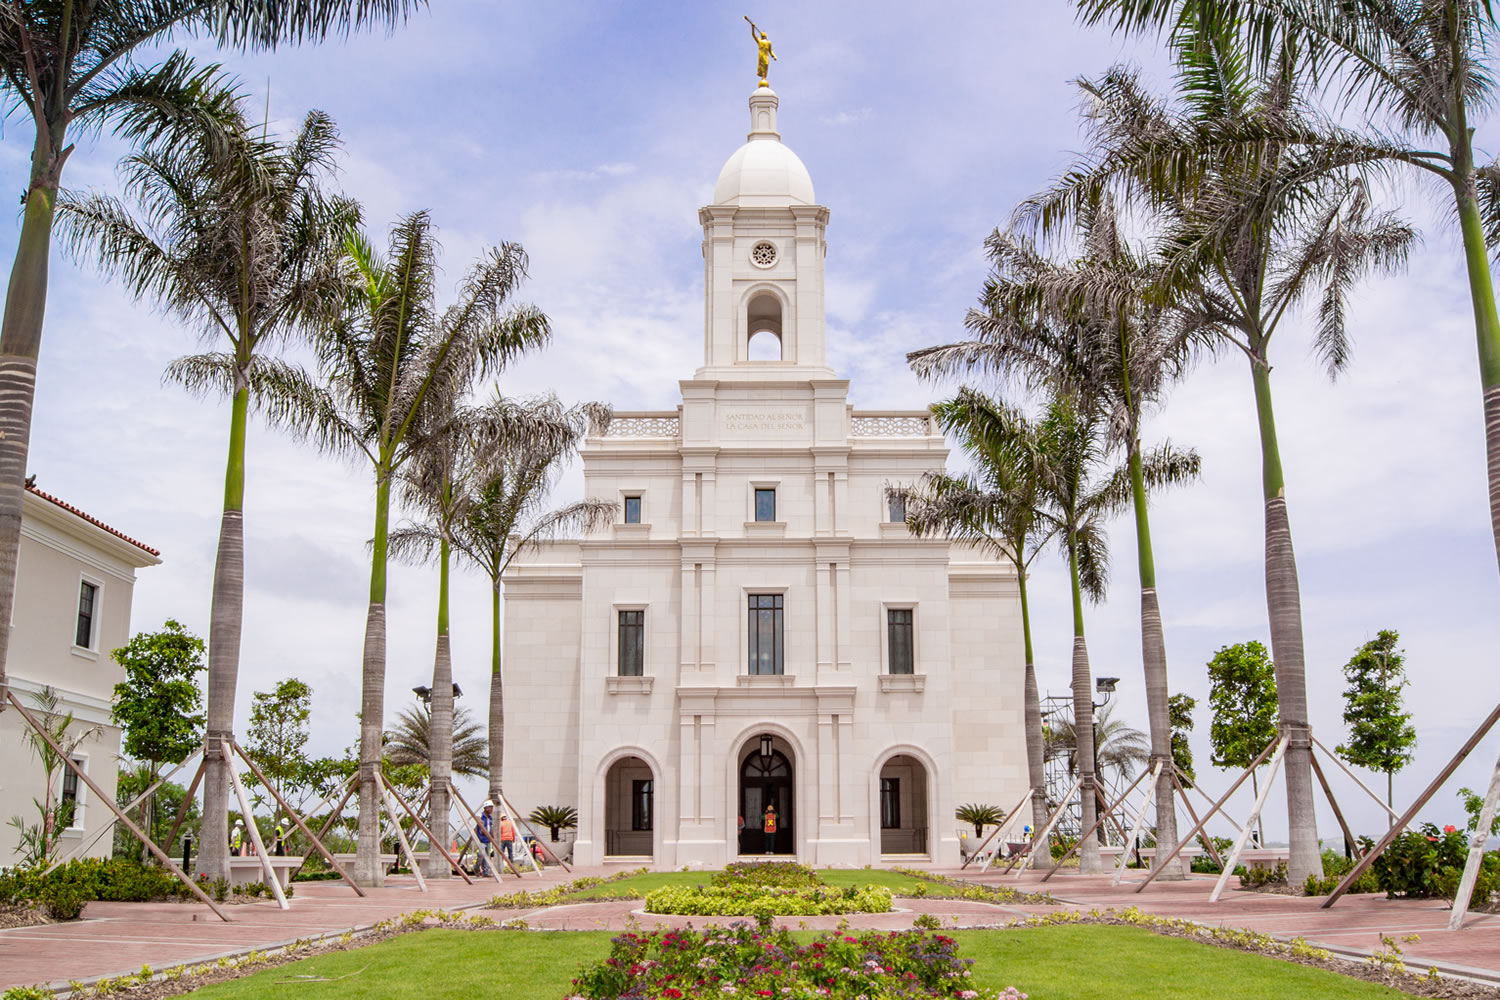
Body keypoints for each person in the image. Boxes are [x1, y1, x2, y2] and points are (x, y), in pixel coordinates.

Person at [475, 801, 495, 875]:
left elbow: (491, 828)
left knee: (487, 856)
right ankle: (476, 868)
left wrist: (493, 838)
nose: (492, 809)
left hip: (488, 840)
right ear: (486, 808)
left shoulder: (490, 818)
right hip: (481, 839)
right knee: (481, 855)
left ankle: (485, 871)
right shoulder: (481, 815)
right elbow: (477, 818)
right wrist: (481, 822)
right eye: (491, 808)